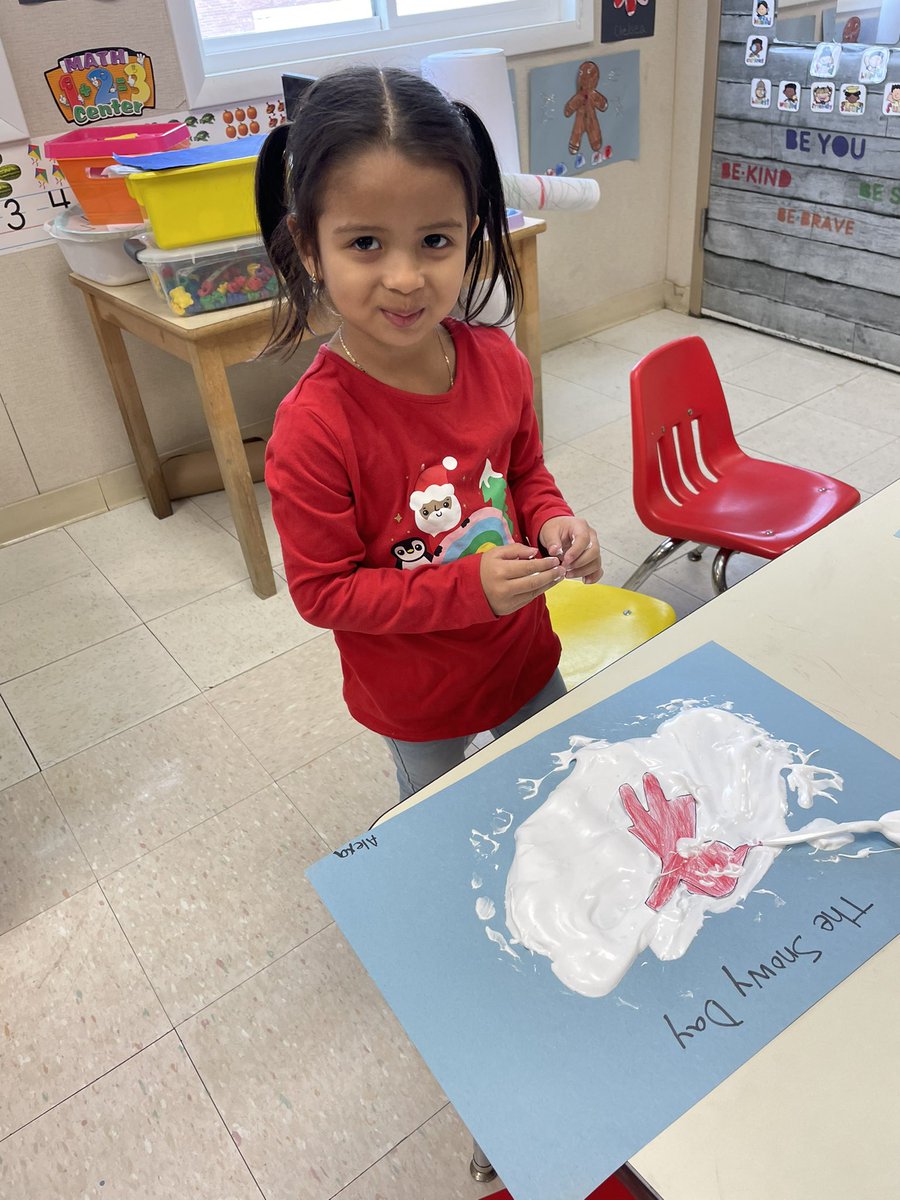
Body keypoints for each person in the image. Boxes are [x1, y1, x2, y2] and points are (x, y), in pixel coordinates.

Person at [256, 67, 602, 802]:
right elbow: (323, 593)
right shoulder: (314, 427)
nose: (407, 278)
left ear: (473, 234)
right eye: (367, 244)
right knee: (441, 822)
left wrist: (554, 520)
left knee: (563, 797)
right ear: (309, 247)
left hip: (522, 657)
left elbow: (526, 474)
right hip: (414, 693)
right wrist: (466, 588)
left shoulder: (498, 361)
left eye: (435, 239)